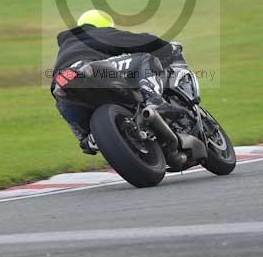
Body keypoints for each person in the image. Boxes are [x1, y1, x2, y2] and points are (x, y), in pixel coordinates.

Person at [50, 9, 180, 155]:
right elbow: (141, 41)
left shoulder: (66, 47)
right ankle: (155, 101)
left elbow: (58, 93)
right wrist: (166, 47)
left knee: (61, 96)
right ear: (104, 25)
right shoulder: (96, 33)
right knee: (145, 58)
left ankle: (86, 137)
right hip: (92, 69)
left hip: (63, 80)